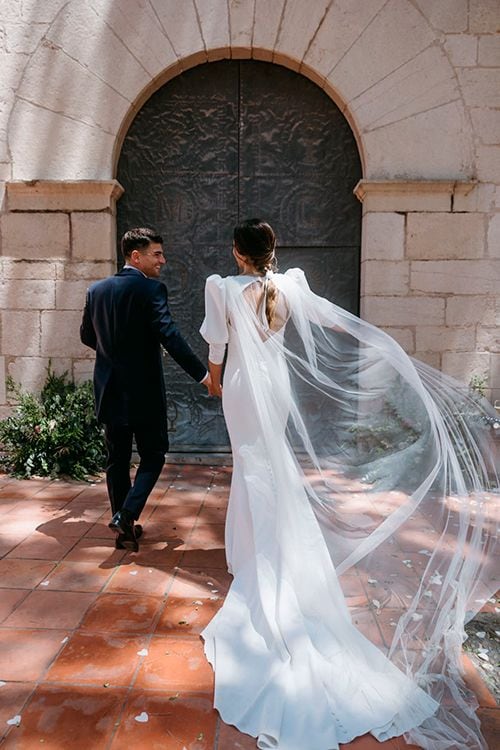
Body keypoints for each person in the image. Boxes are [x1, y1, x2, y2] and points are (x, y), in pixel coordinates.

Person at [199, 219, 499, 750]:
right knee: (271, 470)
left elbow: (217, 348)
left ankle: (255, 557)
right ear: (271, 250)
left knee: (252, 470)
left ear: (235, 252)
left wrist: (215, 381)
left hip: (244, 390)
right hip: (277, 388)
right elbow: (332, 324)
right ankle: (263, 549)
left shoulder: (223, 288)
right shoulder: (291, 285)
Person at [80, 227, 211, 551]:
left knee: (117, 460)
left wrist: (113, 351)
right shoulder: (151, 290)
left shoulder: (96, 291)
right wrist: (203, 375)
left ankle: (124, 529)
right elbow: (170, 335)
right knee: (154, 455)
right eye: (157, 254)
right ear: (135, 256)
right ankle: (127, 512)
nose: (162, 260)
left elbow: (86, 335)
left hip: (109, 389)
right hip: (144, 392)